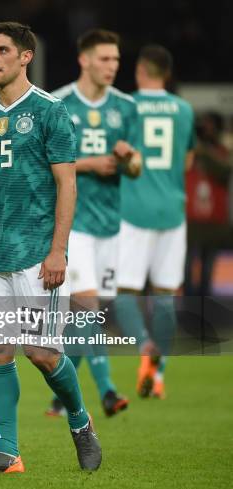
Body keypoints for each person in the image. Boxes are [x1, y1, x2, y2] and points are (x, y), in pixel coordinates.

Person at [0, 21, 101, 473]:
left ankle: (80, 422)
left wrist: (58, 250)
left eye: (1, 50)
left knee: (41, 354)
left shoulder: (48, 111)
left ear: (25, 57)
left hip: (36, 254)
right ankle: (7, 451)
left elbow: (67, 183)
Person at [47, 29, 141, 418]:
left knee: (88, 318)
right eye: (104, 59)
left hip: (109, 224)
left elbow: (136, 169)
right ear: (84, 60)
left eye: (116, 60)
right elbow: (43, 163)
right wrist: (88, 164)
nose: (112, 66)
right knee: (85, 306)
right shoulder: (59, 103)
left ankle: (59, 396)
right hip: (74, 223)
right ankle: (107, 391)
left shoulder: (126, 106)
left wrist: (127, 157)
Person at [116, 45, 196, 399]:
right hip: (173, 211)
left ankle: (144, 345)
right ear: (168, 73)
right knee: (165, 295)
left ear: (140, 70)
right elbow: (188, 162)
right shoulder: (184, 110)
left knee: (124, 292)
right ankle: (157, 374)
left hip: (134, 210)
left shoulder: (126, 106)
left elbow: (118, 157)